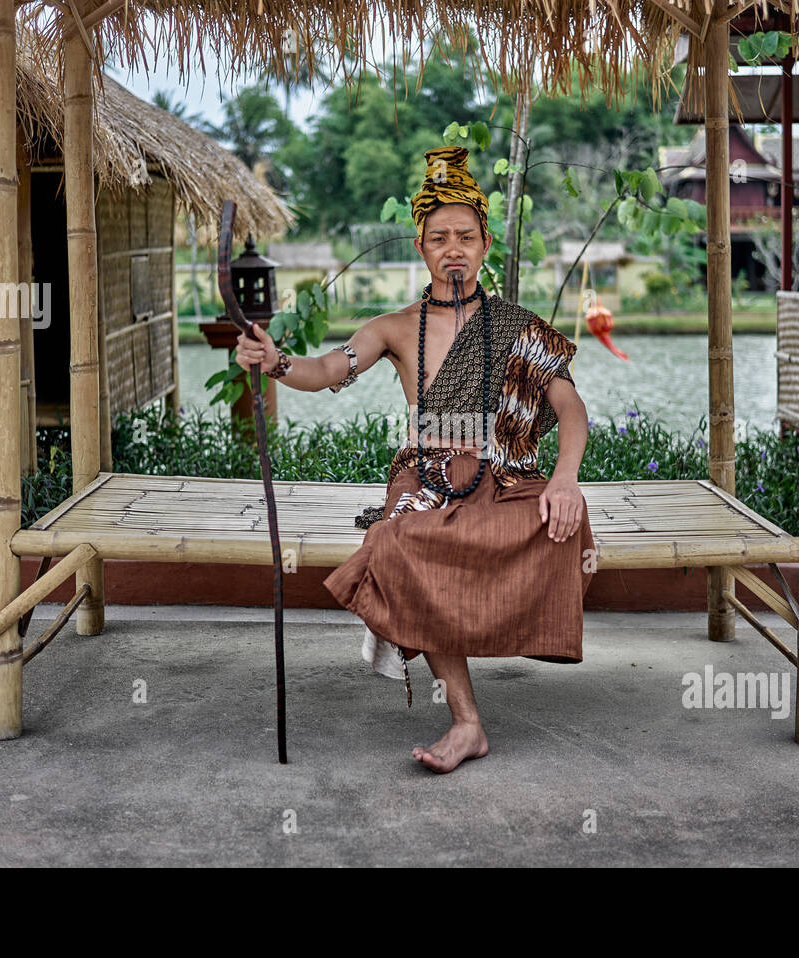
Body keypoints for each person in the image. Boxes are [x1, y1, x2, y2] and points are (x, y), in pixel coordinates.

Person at [234, 146, 595, 773]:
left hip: (502, 480)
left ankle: (476, 683)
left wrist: (565, 481)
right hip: (427, 480)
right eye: (437, 238)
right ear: (421, 248)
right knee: (400, 544)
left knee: (559, 526)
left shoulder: (521, 328)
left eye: (464, 236)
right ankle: (467, 722)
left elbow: (572, 412)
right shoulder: (394, 328)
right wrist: (278, 363)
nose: (452, 248)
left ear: (484, 243)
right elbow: (325, 370)